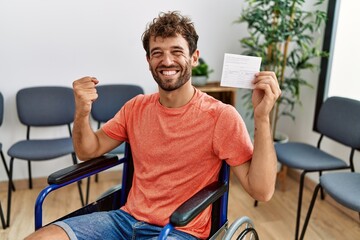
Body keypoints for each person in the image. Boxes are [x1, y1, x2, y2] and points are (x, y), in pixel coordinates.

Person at [25, 11, 281, 240]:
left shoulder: (221, 116)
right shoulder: (136, 108)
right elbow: (87, 150)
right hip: (124, 221)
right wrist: (82, 112)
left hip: (179, 230)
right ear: (148, 61)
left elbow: (261, 190)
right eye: (157, 53)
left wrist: (261, 117)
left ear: (194, 58)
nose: (167, 61)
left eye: (177, 51)